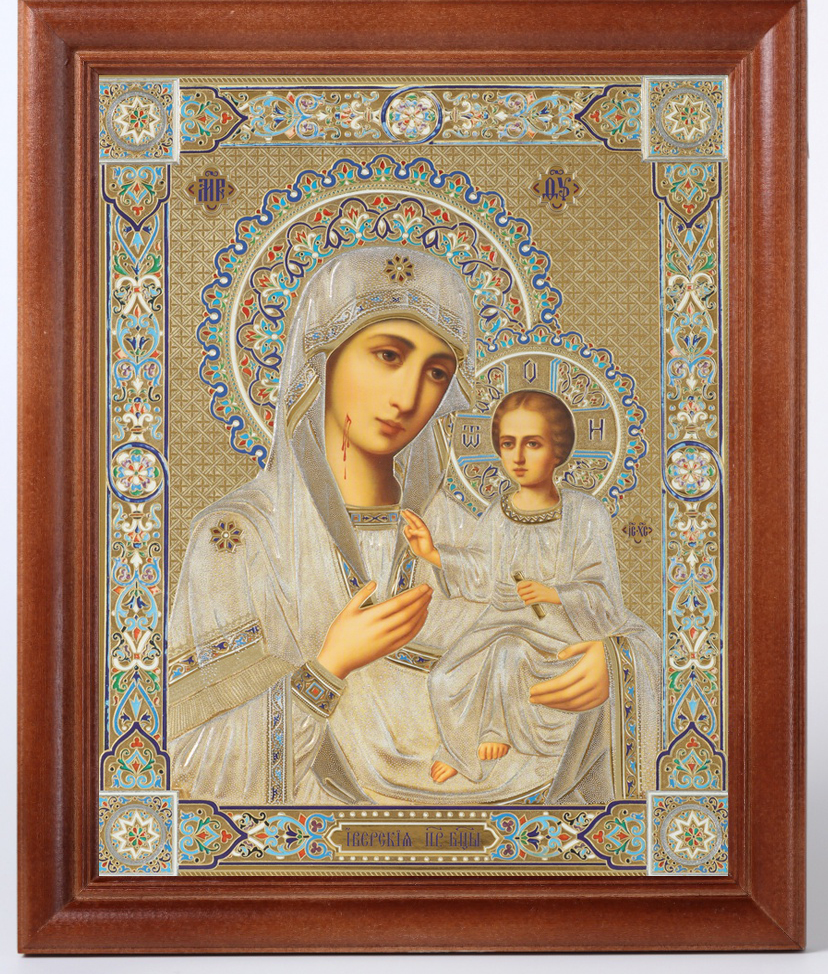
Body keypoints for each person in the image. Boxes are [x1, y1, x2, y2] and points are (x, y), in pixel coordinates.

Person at [168, 245, 660, 807]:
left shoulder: (459, 530)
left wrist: (613, 666)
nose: (408, 397)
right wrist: (329, 669)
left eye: (436, 373)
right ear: (320, 360)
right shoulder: (239, 537)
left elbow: (574, 633)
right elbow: (186, 764)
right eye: (387, 355)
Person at [403, 390, 651, 788]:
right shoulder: (498, 513)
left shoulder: (585, 514)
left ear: (558, 451)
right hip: (499, 620)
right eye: (508, 444)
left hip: (558, 628)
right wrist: (432, 553)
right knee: (443, 679)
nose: (517, 457)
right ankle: (459, 749)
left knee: (510, 653)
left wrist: (555, 594)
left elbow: (603, 594)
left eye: (532, 444)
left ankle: (498, 730)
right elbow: (480, 570)